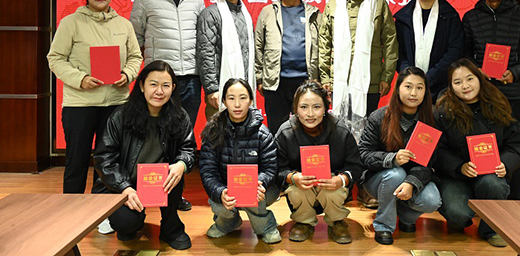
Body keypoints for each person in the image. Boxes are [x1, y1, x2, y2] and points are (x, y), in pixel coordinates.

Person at [47, 0, 143, 197]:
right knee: (77, 160)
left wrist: (127, 74)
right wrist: (80, 79)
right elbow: (55, 58)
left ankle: (104, 209)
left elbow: (135, 57)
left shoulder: (124, 25)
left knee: (108, 162)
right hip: (80, 104)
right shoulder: (71, 23)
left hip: (116, 102)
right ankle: (72, 207)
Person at [318, 0, 398, 208]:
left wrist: (386, 76)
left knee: (368, 136)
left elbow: (390, 42)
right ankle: (340, 186)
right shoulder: (333, 5)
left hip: (370, 81)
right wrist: (325, 77)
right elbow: (324, 44)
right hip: (339, 84)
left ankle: (365, 185)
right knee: (339, 134)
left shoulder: (379, 5)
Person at [130, 0, 205, 211]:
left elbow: (202, 39)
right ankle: (149, 190)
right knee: (155, 135)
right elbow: (135, 38)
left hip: (190, 79)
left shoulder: (197, 1)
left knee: (182, 137)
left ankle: (175, 195)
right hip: (160, 82)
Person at [93, 61, 197, 250]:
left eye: (166, 86)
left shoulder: (179, 116)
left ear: (173, 88)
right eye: (153, 84)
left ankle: (171, 228)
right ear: (142, 86)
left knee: (175, 171)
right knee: (126, 225)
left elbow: (188, 149)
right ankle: (130, 221)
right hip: (125, 185)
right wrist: (124, 187)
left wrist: (182, 164)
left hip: (161, 183)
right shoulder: (121, 116)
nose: (159, 91)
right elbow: (104, 158)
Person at [462, 0, 520, 201]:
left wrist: (515, 73)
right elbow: (463, 51)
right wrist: (475, 71)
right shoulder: (471, 17)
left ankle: (516, 200)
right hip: (481, 94)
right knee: (481, 145)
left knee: (514, 146)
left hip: (513, 93)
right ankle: (485, 199)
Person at [434, 59, 520, 248]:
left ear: (479, 78)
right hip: (456, 177)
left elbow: (517, 143)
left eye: (470, 79)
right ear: (451, 86)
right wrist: (459, 166)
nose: (465, 86)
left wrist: (505, 164)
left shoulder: (497, 104)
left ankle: (491, 229)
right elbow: (437, 150)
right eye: (458, 82)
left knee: (494, 185)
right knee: (457, 215)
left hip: (490, 173)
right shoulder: (443, 111)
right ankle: (464, 215)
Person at [359, 67, 442, 245]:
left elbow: (429, 162)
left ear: (426, 92)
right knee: (396, 174)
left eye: (419, 88)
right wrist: (392, 159)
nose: (413, 93)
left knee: (432, 200)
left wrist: (412, 182)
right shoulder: (379, 117)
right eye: (408, 86)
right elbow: (363, 154)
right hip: (379, 178)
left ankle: (405, 216)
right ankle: (383, 226)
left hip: (414, 177)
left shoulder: (431, 120)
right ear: (398, 89)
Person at [275, 80, 362, 244]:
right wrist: (293, 177)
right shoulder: (285, 132)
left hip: (331, 187)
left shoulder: (340, 131)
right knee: (297, 190)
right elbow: (277, 168)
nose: (310, 114)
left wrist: (341, 179)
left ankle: (337, 221)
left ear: (325, 108)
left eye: (316, 107)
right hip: (301, 188)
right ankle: (304, 222)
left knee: (333, 190)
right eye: (304, 107)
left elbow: (355, 166)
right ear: (295, 109)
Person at [198, 78, 280, 244]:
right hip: (226, 189)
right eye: (231, 98)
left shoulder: (263, 133)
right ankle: (227, 223)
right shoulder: (213, 131)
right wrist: (220, 191)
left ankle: (266, 227)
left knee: (253, 196)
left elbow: (271, 168)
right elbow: (208, 170)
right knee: (219, 204)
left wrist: (259, 183)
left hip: (259, 189)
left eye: (243, 98)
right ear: (223, 101)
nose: (237, 104)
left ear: (250, 100)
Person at [255, 0, 322, 135]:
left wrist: (321, 78)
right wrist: (259, 78)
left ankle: (304, 153)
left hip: (306, 80)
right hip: (276, 81)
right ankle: (277, 153)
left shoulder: (314, 13)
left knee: (308, 127)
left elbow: (322, 47)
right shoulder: (268, 12)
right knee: (277, 129)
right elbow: (258, 46)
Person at [394, 0, 464, 102]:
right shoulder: (403, 18)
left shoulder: (450, 16)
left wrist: (430, 78)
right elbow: (396, 51)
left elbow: (455, 50)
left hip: (441, 86)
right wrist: (409, 76)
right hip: (409, 86)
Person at [199, 0, 255, 119]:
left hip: (243, 87)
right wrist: (212, 88)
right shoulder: (211, 13)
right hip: (220, 88)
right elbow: (206, 53)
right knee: (218, 129)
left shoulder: (245, 15)